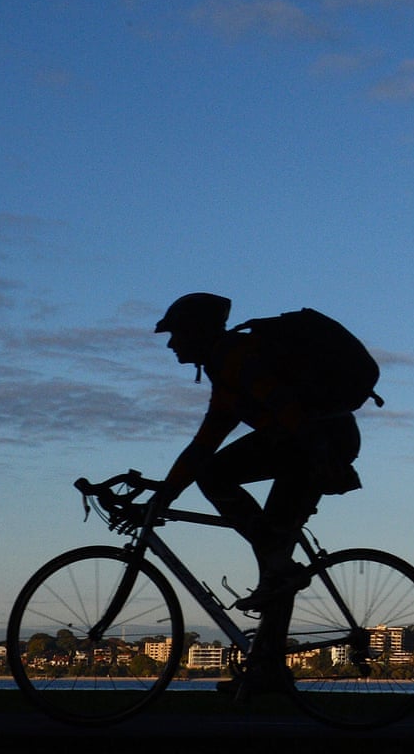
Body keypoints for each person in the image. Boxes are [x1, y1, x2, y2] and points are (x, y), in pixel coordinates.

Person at [147, 292, 364, 692]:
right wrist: (164, 494)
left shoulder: (237, 358)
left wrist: (324, 461)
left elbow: (285, 407)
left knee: (220, 483)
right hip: (315, 441)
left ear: (197, 332)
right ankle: (268, 671)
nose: (171, 343)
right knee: (274, 560)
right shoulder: (225, 368)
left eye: (175, 333)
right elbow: (205, 441)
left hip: (318, 440)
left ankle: (277, 568)